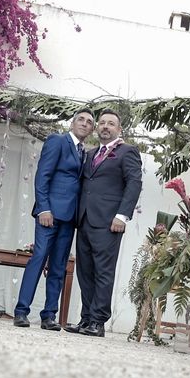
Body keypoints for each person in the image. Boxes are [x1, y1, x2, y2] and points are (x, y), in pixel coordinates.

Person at [13, 109, 95, 330]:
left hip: (70, 218)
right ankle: (21, 311)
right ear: (72, 122)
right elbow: (43, 176)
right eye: (81, 119)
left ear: (92, 129)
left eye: (89, 122)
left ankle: (49, 315)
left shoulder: (85, 153)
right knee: (38, 258)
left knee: (59, 266)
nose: (85, 124)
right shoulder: (57, 141)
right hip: (49, 215)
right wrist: (43, 209)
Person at [66, 109, 142, 337]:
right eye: (102, 123)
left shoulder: (128, 152)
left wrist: (122, 216)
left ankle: (98, 322)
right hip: (85, 220)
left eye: (111, 123)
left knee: (103, 272)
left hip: (109, 222)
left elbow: (134, 184)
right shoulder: (89, 154)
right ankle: (86, 318)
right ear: (97, 128)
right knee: (85, 272)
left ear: (119, 130)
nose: (105, 126)